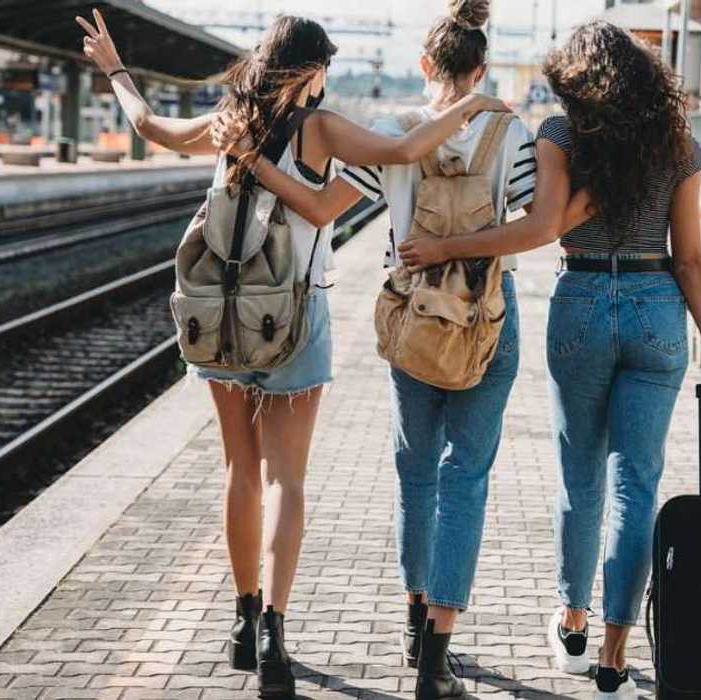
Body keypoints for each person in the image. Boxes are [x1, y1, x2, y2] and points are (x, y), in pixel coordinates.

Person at [76, 9, 508, 698]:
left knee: (238, 469)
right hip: (293, 318)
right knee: (286, 479)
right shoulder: (319, 127)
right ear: (310, 71)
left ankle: (242, 623)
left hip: (219, 317)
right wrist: (473, 105)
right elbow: (400, 152)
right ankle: (276, 630)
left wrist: (115, 69)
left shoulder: (228, 121)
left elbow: (148, 127)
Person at [397, 19, 701, 699]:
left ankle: (573, 623)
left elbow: (541, 227)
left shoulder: (560, 134)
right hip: (656, 308)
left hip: (581, 297)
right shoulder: (677, 143)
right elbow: (692, 258)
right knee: (635, 488)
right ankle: (615, 655)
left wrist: (446, 248)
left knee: (580, 480)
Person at [213, 2, 543, 697]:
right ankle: (436, 659)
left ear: (424, 66)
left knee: (416, 476)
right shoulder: (511, 134)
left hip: (409, 315)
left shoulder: (393, 132)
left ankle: (411, 620)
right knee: (466, 481)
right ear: (481, 69)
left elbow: (321, 207)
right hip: (484, 317)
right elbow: (532, 222)